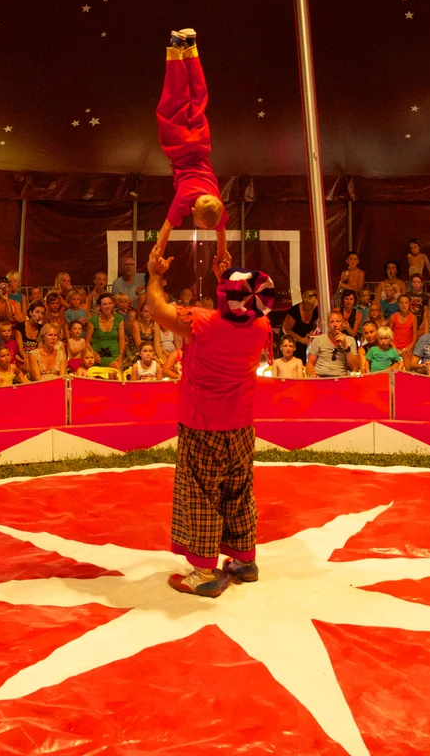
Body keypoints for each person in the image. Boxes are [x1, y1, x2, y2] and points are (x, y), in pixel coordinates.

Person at [143, 244, 273, 597]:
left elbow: (154, 306)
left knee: (200, 494)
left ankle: (204, 572)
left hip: (202, 424)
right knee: (239, 489)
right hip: (242, 424)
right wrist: (224, 280)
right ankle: (245, 561)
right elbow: (237, 307)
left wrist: (155, 272)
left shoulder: (203, 324)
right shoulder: (261, 324)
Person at [153, 29, 231, 274]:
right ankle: (175, 49)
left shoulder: (216, 203)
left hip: (200, 144)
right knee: (173, 99)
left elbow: (222, 234)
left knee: (198, 99)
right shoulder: (185, 199)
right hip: (177, 145)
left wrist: (221, 256)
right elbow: (165, 230)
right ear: (195, 212)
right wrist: (157, 256)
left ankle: (191, 47)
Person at [306, 311, 361, 378]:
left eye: (338, 321)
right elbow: (310, 363)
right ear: (328, 324)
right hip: (320, 377)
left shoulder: (350, 340)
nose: (335, 325)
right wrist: (312, 374)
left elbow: (355, 367)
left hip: (341, 378)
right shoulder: (318, 339)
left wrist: (345, 346)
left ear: (343, 324)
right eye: (332, 322)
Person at [87, 295, 127, 370]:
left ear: (112, 305)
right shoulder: (93, 320)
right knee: (115, 366)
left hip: (115, 355)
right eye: (104, 304)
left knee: (116, 367)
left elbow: (121, 340)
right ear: (99, 307)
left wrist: (121, 355)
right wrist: (94, 354)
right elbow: (87, 342)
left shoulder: (119, 319)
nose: (107, 306)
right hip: (98, 356)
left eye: (109, 303)